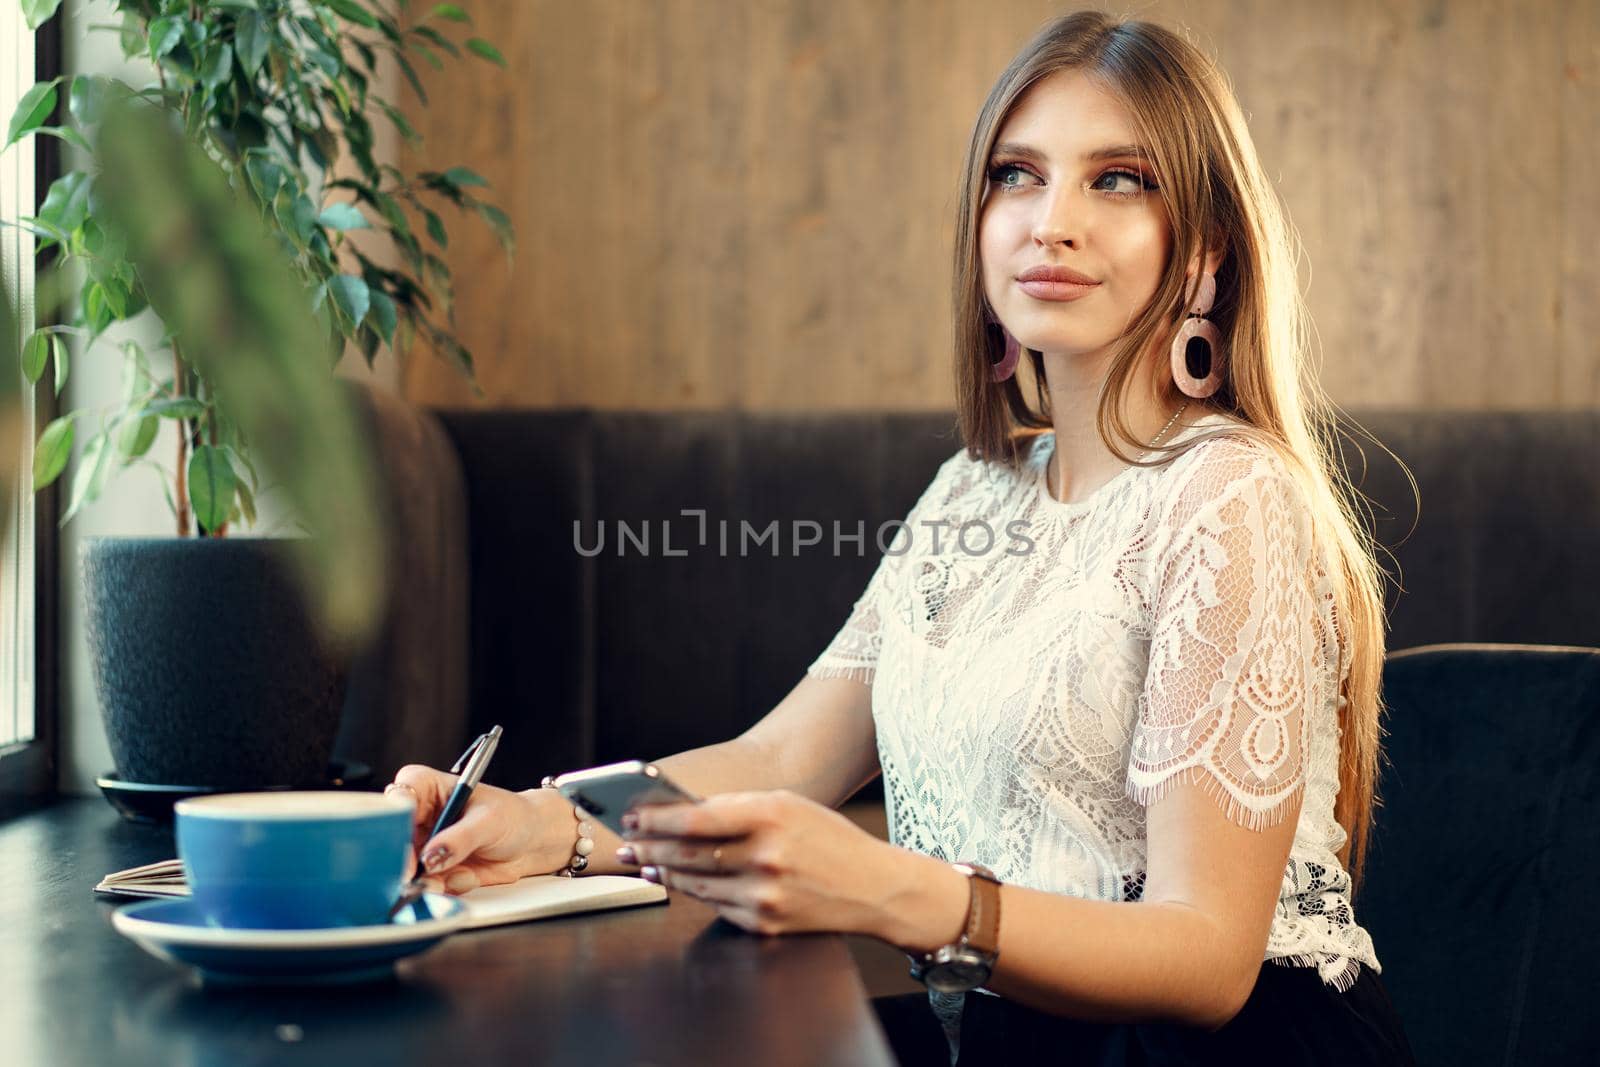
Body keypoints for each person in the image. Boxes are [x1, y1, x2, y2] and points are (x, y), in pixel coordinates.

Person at [386, 10, 1417, 1065]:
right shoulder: (972, 492)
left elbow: (1204, 958)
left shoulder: (1228, 491)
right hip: (1008, 1035)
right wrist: (547, 824)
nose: (1049, 220)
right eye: (1016, 174)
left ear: (1202, 253)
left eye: (1120, 180)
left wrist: (892, 889)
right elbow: (781, 756)